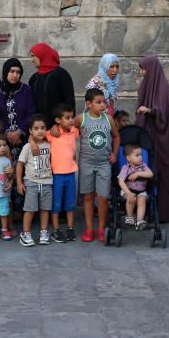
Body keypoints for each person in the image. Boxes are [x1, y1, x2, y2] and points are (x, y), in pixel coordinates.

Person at [135, 54, 169, 223]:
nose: (141, 72)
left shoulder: (162, 88)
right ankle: (148, 210)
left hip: (162, 138)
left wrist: (150, 111)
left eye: (144, 69)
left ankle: (165, 213)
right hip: (149, 137)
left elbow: (164, 113)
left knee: (162, 171)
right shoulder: (147, 85)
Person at [0, 58, 35, 212]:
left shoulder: (27, 91)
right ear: (5, 72)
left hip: (22, 141)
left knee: (23, 173)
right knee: (4, 173)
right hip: (3, 143)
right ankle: (6, 211)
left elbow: (31, 113)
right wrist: (5, 133)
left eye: (18, 72)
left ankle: (24, 209)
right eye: (12, 71)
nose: (15, 75)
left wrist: (19, 131)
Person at [75, 88, 119, 242]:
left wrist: (114, 153)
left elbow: (116, 137)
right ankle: (88, 229)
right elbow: (67, 129)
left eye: (104, 102)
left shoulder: (109, 119)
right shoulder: (81, 119)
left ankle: (101, 228)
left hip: (104, 164)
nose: (103, 105)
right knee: (87, 196)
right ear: (88, 104)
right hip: (86, 163)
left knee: (103, 197)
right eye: (98, 102)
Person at [16, 114, 53, 247]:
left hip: (47, 182)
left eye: (43, 128)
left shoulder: (49, 144)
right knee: (30, 209)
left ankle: (44, 232)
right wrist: (19, 183)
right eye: (36, 128)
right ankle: (25, 233)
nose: (40, 131)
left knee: (45, 209)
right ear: (30, 131)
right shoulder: (27, 147)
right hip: (31, 182)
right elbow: (20, 165)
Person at [47, 104, 79, 243]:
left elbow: (79, 126)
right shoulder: (51, 133)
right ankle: (56, 230)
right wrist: (53, 127)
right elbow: (34, 136)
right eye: (67, 118)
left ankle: (70, 228)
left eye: (72, 117)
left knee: (70, 202)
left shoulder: (74, 131)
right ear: (58, 120)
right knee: (56, 203)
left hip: (71, 173)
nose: (71, 120)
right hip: (57, 174)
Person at [28, 43, 75, 126]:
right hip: (39, 129)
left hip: (59, 128)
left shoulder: (61, 75)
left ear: (41, 55)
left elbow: (69, 102)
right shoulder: (34, 78)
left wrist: (59, 125)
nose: (31, 60)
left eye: (33, 56)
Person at [118, 144, 153, 229]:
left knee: (142, 199)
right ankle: (129, 217)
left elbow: (150, 174)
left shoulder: (143, 166)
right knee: (131, 197)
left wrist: (138, 174)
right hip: (128, 190)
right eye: (137, 155)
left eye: (141, 155)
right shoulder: (125, 168)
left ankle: (139, 220)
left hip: (141, 191)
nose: (140, 157)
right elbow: (121, 181)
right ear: (128, 158)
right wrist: (128, 193)